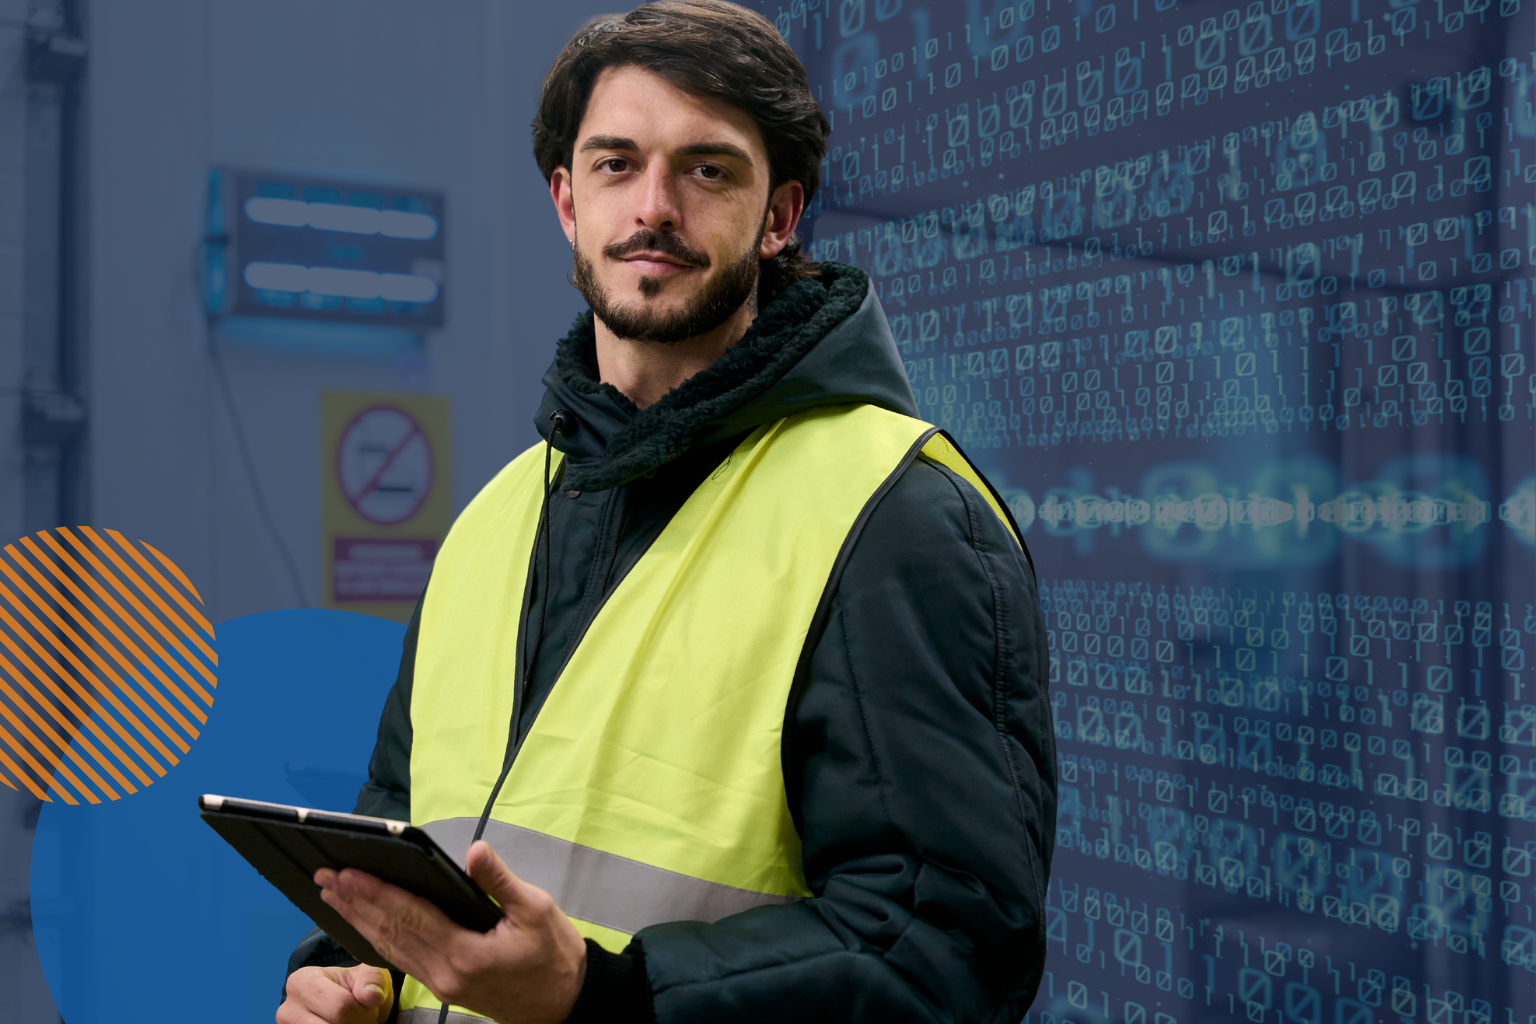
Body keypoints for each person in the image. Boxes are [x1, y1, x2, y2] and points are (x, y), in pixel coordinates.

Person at [277, 3, 1055, 1022]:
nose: (654, 206)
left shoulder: (897, 514)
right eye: (615, 164)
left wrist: (603, 997)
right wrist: (352, 966)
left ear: (780, 216)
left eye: (708, 169)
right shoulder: (495, 519)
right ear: (566, 201)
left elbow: (946, 950)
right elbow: (401, 828)